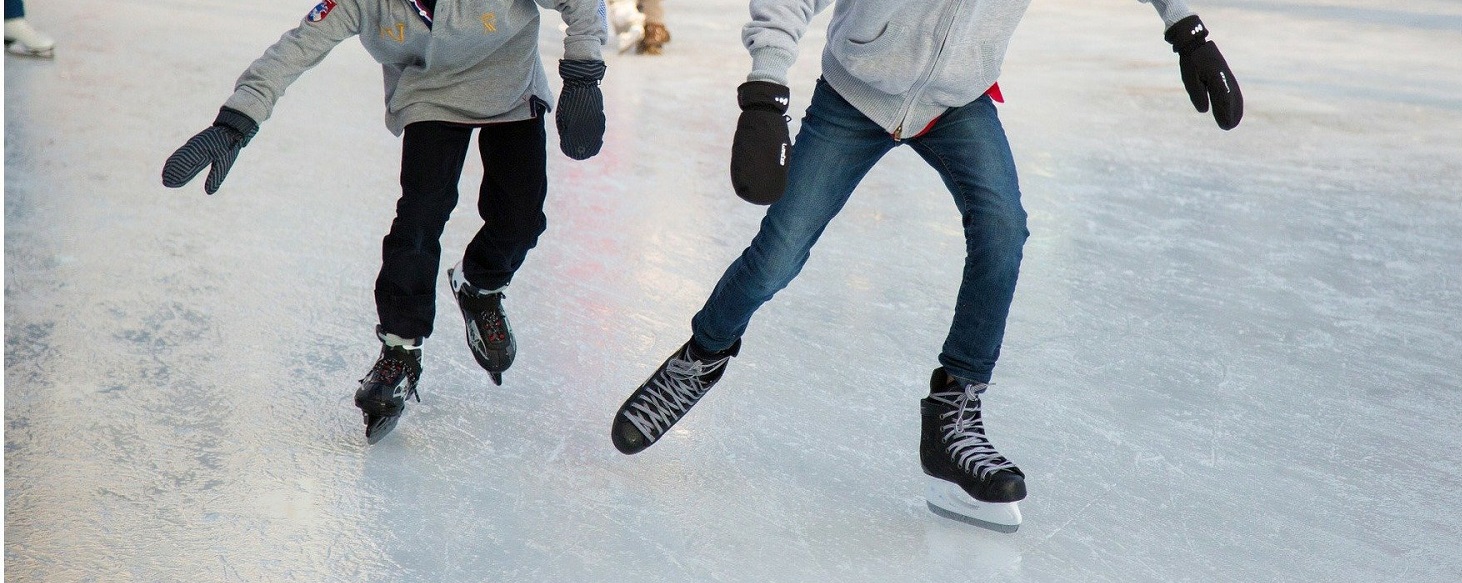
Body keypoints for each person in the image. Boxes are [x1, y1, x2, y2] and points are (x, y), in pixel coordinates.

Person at [607, 0, 1242, 532]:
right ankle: (701, 357)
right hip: (855, 94)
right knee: (779, 253)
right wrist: (766, 92)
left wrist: (1186, 28)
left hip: (956, 101)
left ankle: (954, 411)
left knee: (1002, 231)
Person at [161, 0, 609, 444]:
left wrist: (583, 75)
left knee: (521, 218)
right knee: (418, 219)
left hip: (510, 88)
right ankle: (399, 348)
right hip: (429, 97)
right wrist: (237, 119)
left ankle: (480, 285)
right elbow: (297, 47)